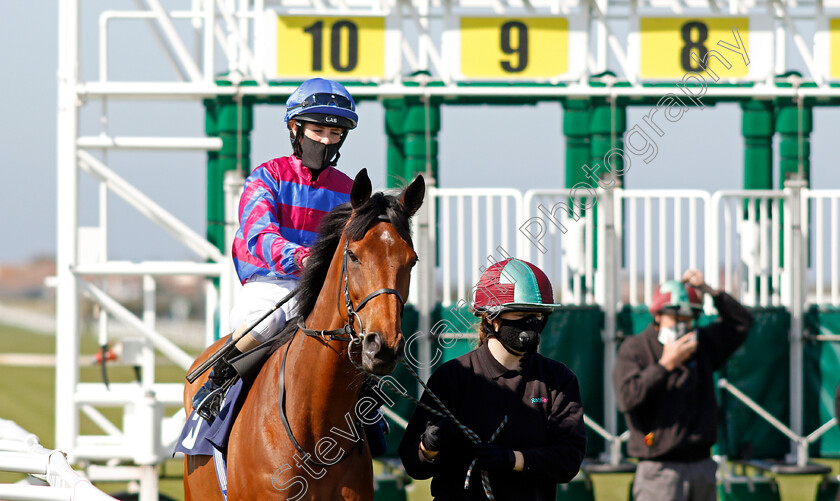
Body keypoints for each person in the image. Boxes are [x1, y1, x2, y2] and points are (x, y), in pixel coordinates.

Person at [192, 78, 358, 420]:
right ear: (295, 128)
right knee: (264, 326)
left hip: (321, 291)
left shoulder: (350, 190)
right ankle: (219, 381)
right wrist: (304, 258)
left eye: (335, 133)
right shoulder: (266, 177)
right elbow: (258, 234)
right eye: (317, 130)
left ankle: (365, 412)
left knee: (362, 335)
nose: (326, 140)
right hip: (269, 285)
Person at [399, 258, 587, 500]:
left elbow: (569, 459)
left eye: (538, 315)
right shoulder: (452, 377)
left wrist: (513, 459)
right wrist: (429, 446)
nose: (531, 324)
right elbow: (414, 465)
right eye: (521, 313)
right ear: (491, 318)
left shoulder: (558, 380)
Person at [613, 269, 754, 501]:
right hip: (659, 469)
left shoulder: (702, 344)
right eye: (676, 317)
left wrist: (709, 291)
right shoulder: (635, 348)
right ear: (657, 315)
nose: (683, 325)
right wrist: (665, 365)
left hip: (702, 465)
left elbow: (741, 322)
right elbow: (627, 398)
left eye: (689, 319)